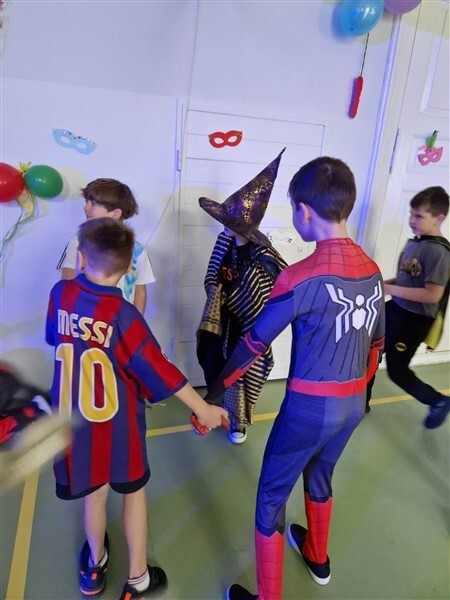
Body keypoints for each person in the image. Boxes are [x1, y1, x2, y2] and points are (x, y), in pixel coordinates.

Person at [205, 157, 385, 599]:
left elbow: (253, 344)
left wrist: (214, 393)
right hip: (352, 406)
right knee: (321, 475)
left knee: (271, 497)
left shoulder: (299, 276)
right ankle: (317, 557)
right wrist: (360, 398)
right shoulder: (373, 270)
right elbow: (376, 346)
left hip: (307, 409)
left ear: (304, 211)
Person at [46, 217, 228, 599]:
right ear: (129, 267)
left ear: (80, 259)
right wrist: (204, 409)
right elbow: (160, 369)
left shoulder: (60, 294)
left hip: (73, 424)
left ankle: (94, 568)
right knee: (134, 493)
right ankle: (138, 579)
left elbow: (58, 339)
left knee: (94, 494)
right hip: (118, 428)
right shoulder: (124, 315)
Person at [196, 150, 287, 444]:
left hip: (249, 327)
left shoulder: (264, 257)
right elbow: (211, 274)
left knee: (242, 373)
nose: (223, 224)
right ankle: (213, 410)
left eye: (229, 220)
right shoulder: (224, 241)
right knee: (215, 364)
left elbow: (269, 296)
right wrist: (217, 295)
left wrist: (235, 299)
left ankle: (237, 421)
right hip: (221, 320)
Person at [367, 186, 450, 428]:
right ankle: (361, 400)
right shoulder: (415, 243)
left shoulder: (438, 252)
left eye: (419, 216)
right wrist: (382, 284)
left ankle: (438, 401)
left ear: (438, 218)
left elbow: (432, 294)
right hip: (396, 309)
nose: (412, 220)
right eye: (411, 214)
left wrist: (388, 289)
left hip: (414, 321)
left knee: (397, 371)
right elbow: (406, 280)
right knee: (369, 349)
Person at [56, 178, 155, 315]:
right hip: (85, 319)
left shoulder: (137, 250)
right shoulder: (78, 242)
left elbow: (140, 291)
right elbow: (67, 282)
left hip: (120, 320)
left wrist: (137, 321)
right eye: (86, 202)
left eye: (93, 203)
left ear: (116, 213)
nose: (85, 208)